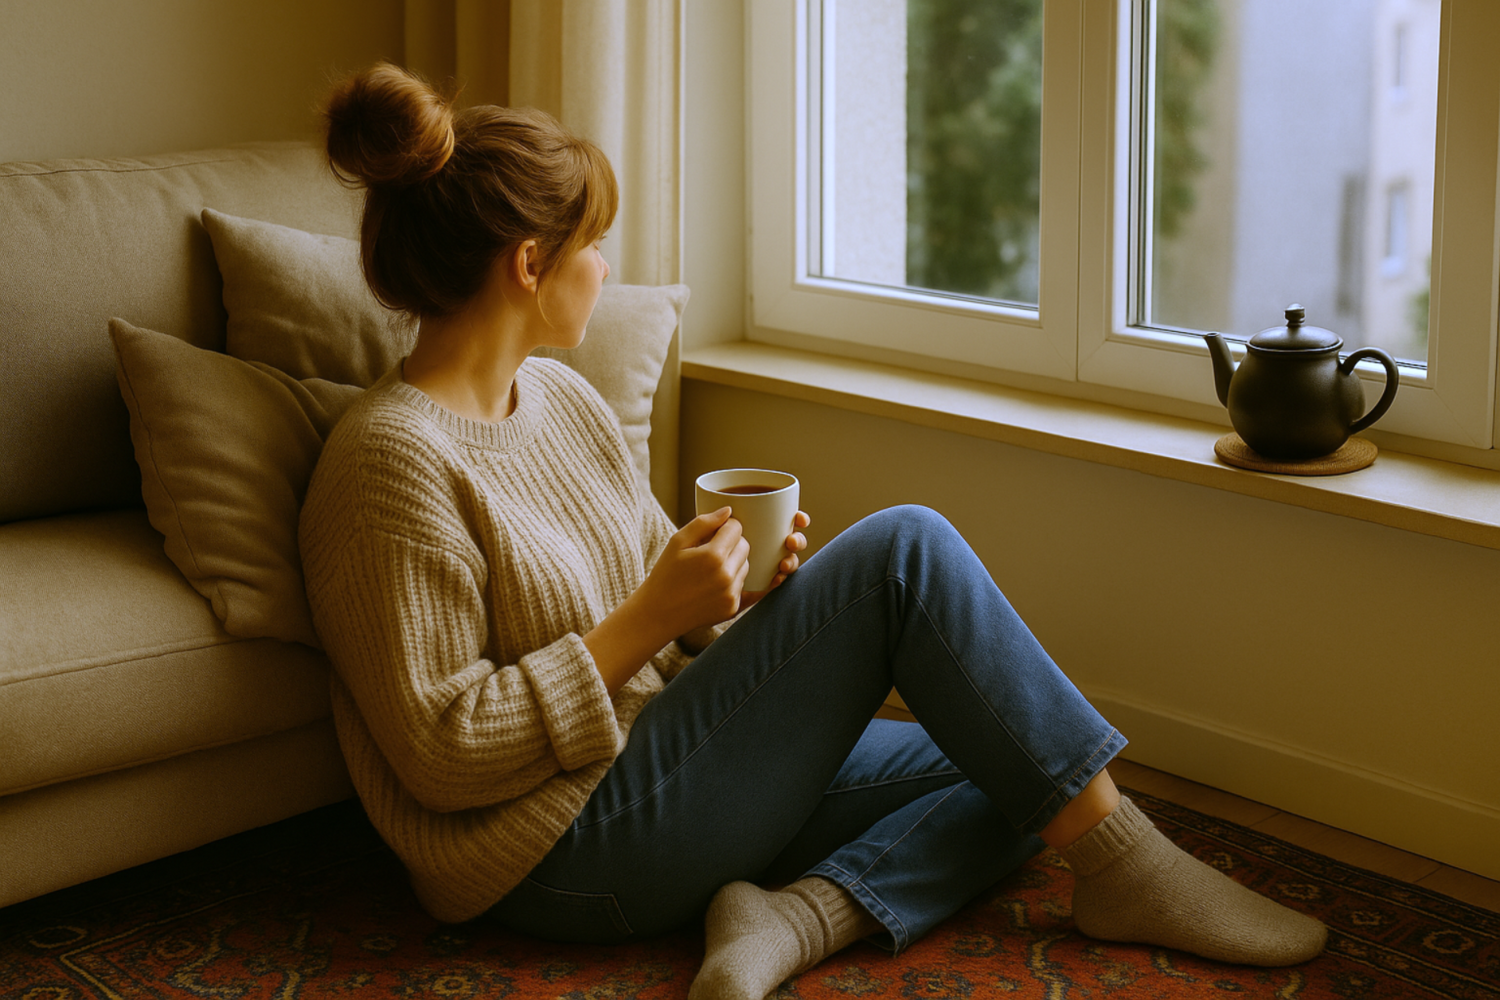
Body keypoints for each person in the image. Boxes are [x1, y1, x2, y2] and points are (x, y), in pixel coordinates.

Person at [300, 63, 1327, 1000]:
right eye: (592, 245)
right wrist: (655, 615)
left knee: (1022, 760)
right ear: (529, 265)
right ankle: (1130, 869)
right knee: (907, 550)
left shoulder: (558, 399)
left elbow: (660, 601)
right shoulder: (389, 461)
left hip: (658, 773)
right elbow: (439, 751)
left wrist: (729, 596)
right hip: (556, 856)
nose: (605, 268)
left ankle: (793, 918)